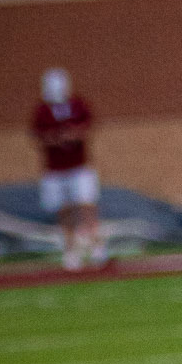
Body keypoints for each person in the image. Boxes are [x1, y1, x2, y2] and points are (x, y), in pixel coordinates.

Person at [31, 67, 105, 271]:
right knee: (64, 211)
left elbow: (87, 126)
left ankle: (96, 246)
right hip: (55, 170)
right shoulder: (42, 111)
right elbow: (38, 136)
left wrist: (73, 134)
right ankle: (71, 251)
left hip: (79, 167)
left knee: (87, 206)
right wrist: (58, 138)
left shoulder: (77, 105)